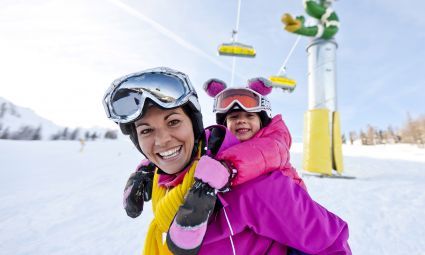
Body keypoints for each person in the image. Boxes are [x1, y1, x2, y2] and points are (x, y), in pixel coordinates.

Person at [103, 67, 351, 254]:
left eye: (174, 122)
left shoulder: (259, 186)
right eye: (146, 131)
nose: (162, 140)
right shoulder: (165, 178)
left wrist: (226, 170)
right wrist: (146, 170)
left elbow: (330, 242)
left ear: (195, 125)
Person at [167, 77, 308, 254]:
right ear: (224, 124)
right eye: (234, 117)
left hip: (290, 219)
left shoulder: (274, 140)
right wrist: (147, 169)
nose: (242, 121)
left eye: (250, 116)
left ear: (262, 122)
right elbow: (182, 151)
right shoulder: (218, 145)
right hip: (250, 223)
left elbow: (262, 153)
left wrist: (226, 168)